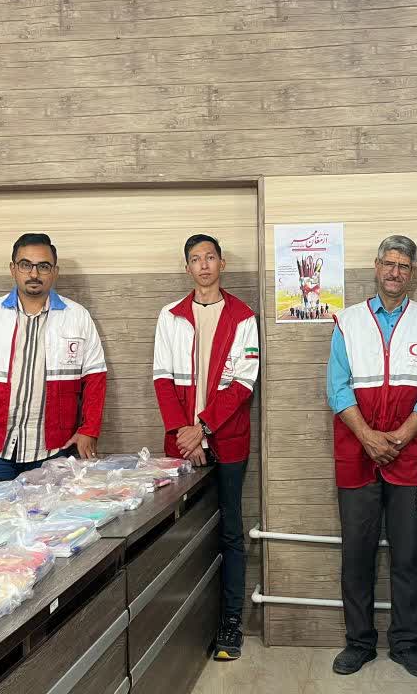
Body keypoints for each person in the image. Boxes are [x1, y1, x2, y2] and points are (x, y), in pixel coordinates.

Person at [326, 235, 417, 680]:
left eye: (404, 266)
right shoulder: (348, 321)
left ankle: (407, 643)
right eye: (389, 263)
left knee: (410, 555)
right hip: (357, 453)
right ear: (376, 267)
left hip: (412, 454)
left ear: (412, 273)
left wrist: (397, 437)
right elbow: (337, 387)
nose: (395, 272)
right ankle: (358, 643)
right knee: (356, 555)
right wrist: (367, 437)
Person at [152, 234, 259, 662]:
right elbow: (162, 379)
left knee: (230, 531)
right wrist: (185, 433)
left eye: (210, 257)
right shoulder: (170, 316)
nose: (203, 265)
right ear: (187, 268)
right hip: (181, 444)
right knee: (180, 533)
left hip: (227, 441)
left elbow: (243, 385)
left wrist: (203, 428)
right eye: (195, 259)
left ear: (221, 263)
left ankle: (230, 623)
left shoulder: (243, 316)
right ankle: (183, 631)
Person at [0, 233, 107, 481]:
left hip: (54, 447)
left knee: (51, 506)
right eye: (26, 265)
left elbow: (95, 378)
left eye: (43, 266)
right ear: (13, 269)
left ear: (55, 272)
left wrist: (89, 430)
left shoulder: (77, 316)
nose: (34, 274)